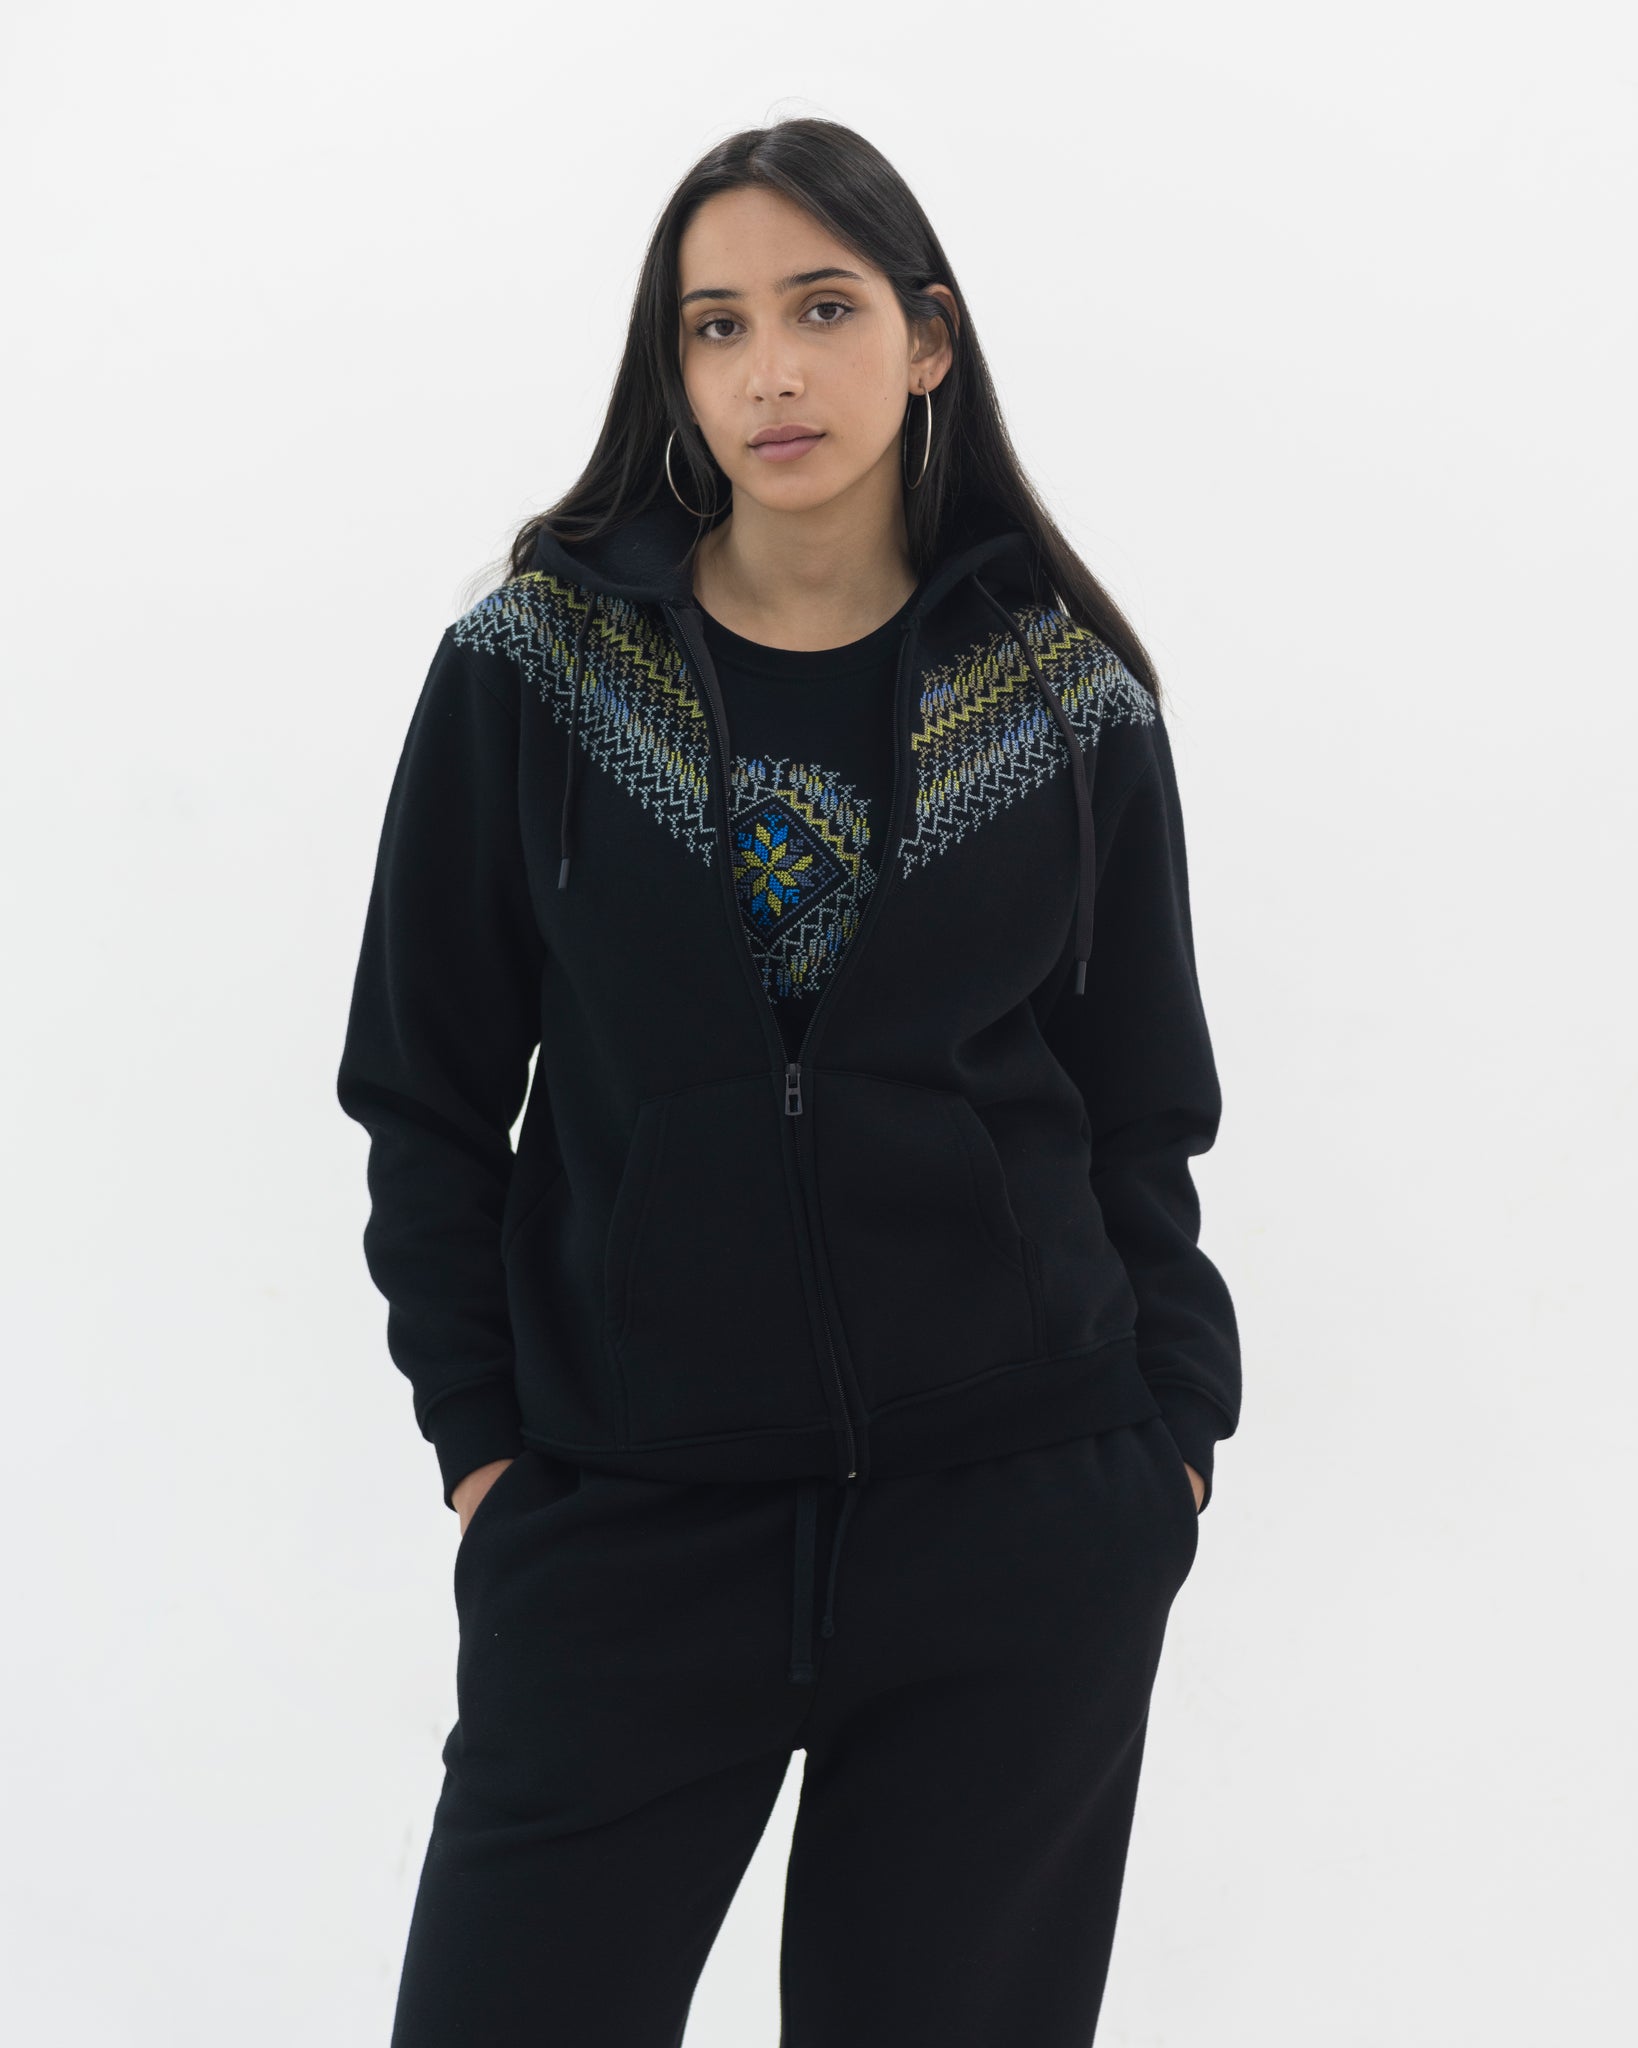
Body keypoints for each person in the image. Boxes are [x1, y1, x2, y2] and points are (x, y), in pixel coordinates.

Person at [336, 115, 1240, 2048]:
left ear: (926, 341)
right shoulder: (534, 672)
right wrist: (489, 1453)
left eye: (822, 309)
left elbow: (1143, 1109)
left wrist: (1164, 1446)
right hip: (627, 1527)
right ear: (671, 369)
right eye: (716, 324)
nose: (770, 370)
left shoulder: (1067, 698)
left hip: (1015, 1525)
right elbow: (422, 1090)